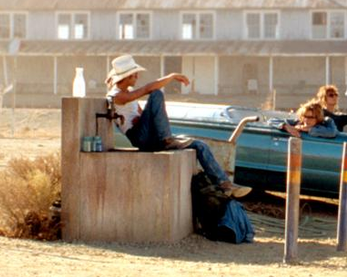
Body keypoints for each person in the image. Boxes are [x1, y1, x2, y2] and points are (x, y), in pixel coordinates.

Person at [106, 54, 251, 198]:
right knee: (156, 94)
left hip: (149, 135)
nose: (137, 77)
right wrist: (172, 76)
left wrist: (147, 121)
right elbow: (147, 89)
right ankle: (167, 140)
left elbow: (144, 114)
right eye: (134, 75)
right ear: (125, 77)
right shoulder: (115, 96)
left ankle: (223, 183)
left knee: (200, 145)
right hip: (139, 137)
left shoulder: (128, 93)